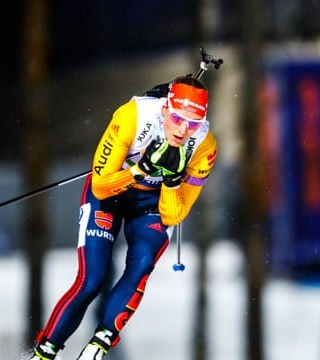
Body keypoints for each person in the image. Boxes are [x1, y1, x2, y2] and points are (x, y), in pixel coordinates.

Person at [30, 75, 218, 360]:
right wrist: (139, 170)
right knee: (91, 279)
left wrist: (171, 181)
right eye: (178, 118)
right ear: (166, 108)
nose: (183, 130)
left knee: (141, 262)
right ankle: (45, 352)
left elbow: (175, 214)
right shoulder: (132, 116)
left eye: (193, 123)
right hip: (112, 194)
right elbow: (100, 185)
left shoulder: (204, 147)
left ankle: (100, 342)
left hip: (151, 203)